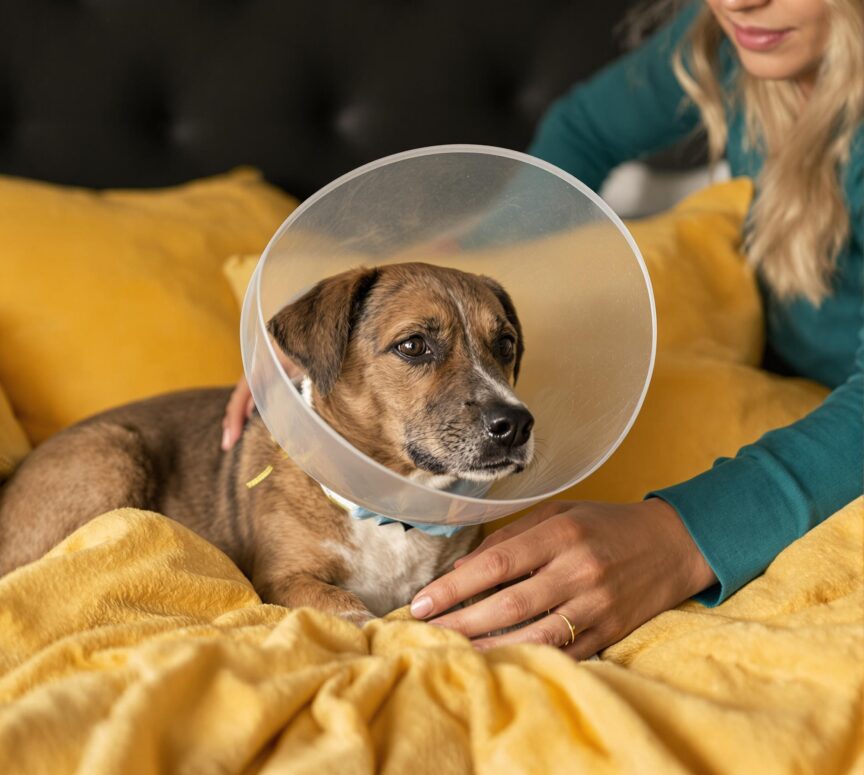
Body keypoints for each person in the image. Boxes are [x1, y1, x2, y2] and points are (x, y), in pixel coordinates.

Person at [221, 0, 863, 659]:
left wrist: (682, 534)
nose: (737, 1)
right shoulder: (731, 42)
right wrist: (344, 338)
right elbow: (581, 131)